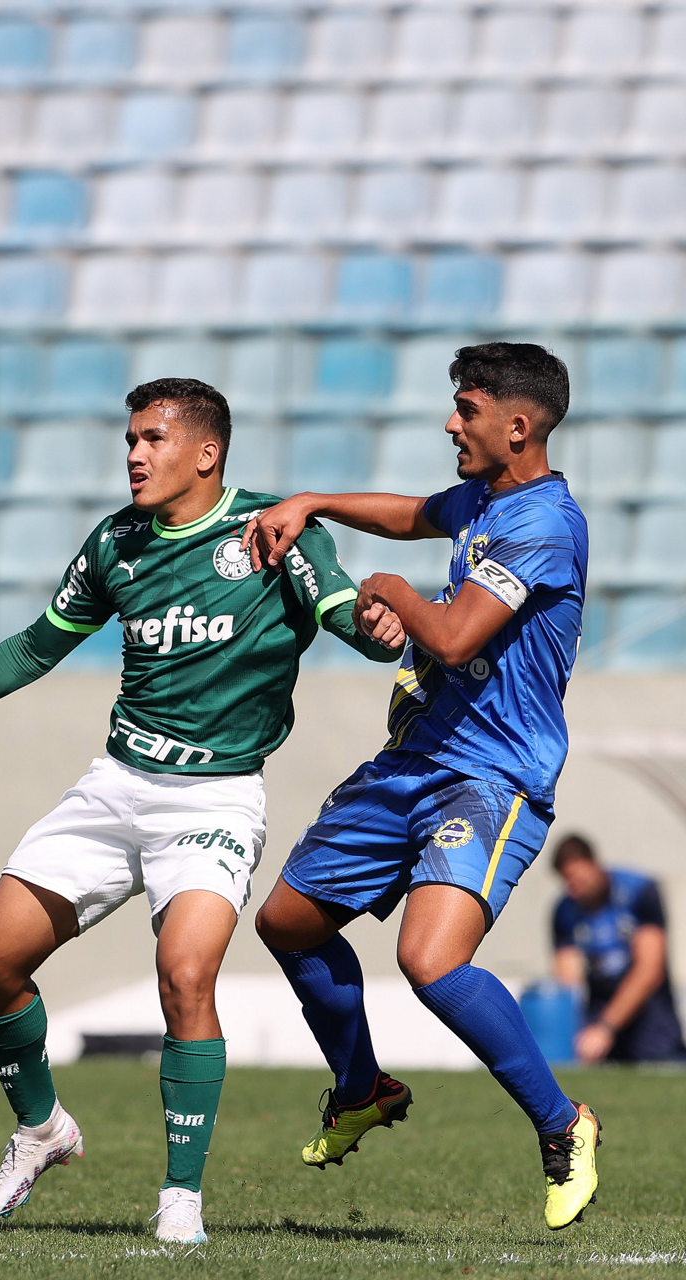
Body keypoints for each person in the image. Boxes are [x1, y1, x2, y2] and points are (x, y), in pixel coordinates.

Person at [0, 377, 404, 1244]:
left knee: (185, 976)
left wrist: (381, 625)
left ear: (206, 453)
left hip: (215, 797)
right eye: (131, 441)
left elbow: (347, 617)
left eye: (153, 439)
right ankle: (42, 1129)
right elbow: (36, 647)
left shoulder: (273, 533)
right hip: (116, 785)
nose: (135, 456)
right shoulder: (116, 542)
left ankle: (181, 1198)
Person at [240, 342, 600, 1231]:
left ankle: (564, 1125)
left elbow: (454, 637)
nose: (451, 423)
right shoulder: (483, 499)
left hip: (490, 776)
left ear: (518, 426)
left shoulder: (546, 525)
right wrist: (313, 501)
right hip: (413, 758)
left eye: (467, 410)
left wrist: (395, 594)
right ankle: (361, 1086)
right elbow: (409, 514)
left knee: (431, 963)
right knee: (287, 921)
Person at [552, 833, 685, 1063]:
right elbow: (568, 983)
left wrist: (606, 1027)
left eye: (576, 878)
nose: (573, 889)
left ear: (593, 863)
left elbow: (649, 971)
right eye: (567, 882)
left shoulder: (638, 891)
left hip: (651, 1024)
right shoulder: (565, 911)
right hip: (599, 1027)